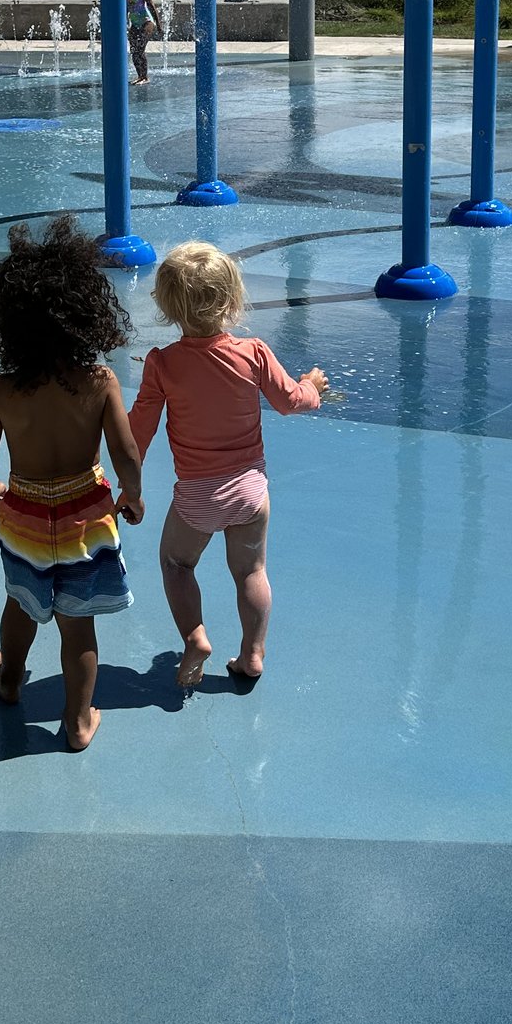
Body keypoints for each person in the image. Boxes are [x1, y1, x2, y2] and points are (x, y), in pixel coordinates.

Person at [0, 214, 145, 751]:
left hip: (23, 512)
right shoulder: (99, 381)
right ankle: (76, 722)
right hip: (85, 516)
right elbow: (125, 450)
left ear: (8, 325)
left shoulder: (2, 390)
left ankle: (11, 679)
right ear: (87, 315)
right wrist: (130, 494)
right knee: (78, 625)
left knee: (20, 603)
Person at [127, 241, 327, 689]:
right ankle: (252, 654)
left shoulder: (161, 364)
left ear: (166, 307)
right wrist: (311, 385)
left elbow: (139, 429)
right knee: (251, 572)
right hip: (251, 490)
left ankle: (196, 636)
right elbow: (291, 401)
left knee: (177, 564)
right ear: (233, 301)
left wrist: (128, 483)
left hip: (198, 494)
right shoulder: (253, 352)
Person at [127, 0, 159, 84]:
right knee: (134, 51)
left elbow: (151, 4)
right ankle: (139, 76)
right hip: (134, 23)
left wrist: (158, 24)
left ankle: (145, 77)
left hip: (146, 21)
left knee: (140, 49)